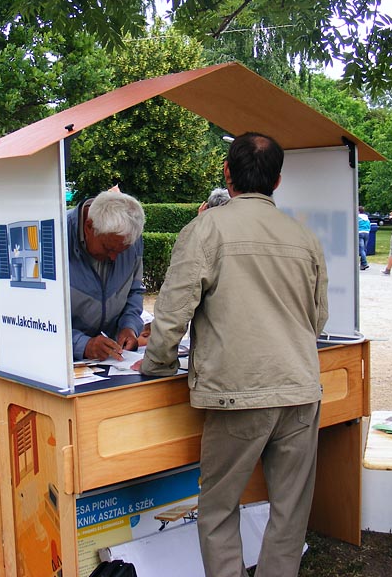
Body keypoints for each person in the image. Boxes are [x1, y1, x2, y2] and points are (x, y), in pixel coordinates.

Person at [137, 132, 328, 577]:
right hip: (299, 389)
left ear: (227, 173)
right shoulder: (305, 237)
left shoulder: (205, 230)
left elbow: (172, 312)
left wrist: (158, 364)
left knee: (219, 509)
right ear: (277, 180)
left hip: (235, 394)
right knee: (291, 511)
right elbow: (318, 319)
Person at [67, 190, 145, 361]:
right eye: (108, 248)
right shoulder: (54, 237)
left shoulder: (130, 237)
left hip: (107, 360)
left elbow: (134, 291)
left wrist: (129, 327)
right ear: (89, 227)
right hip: (59, 359)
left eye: (122, 251)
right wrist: (83, 345)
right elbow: (38, 317)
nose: (114, 257)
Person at [358, 206, 371, 270]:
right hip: (367, 233)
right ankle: (362, 264)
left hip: (360, 233)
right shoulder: (366, 218)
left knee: (361, 249)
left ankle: (364, 263)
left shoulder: (357, 217)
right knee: (364, 249)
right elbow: (369, 226)